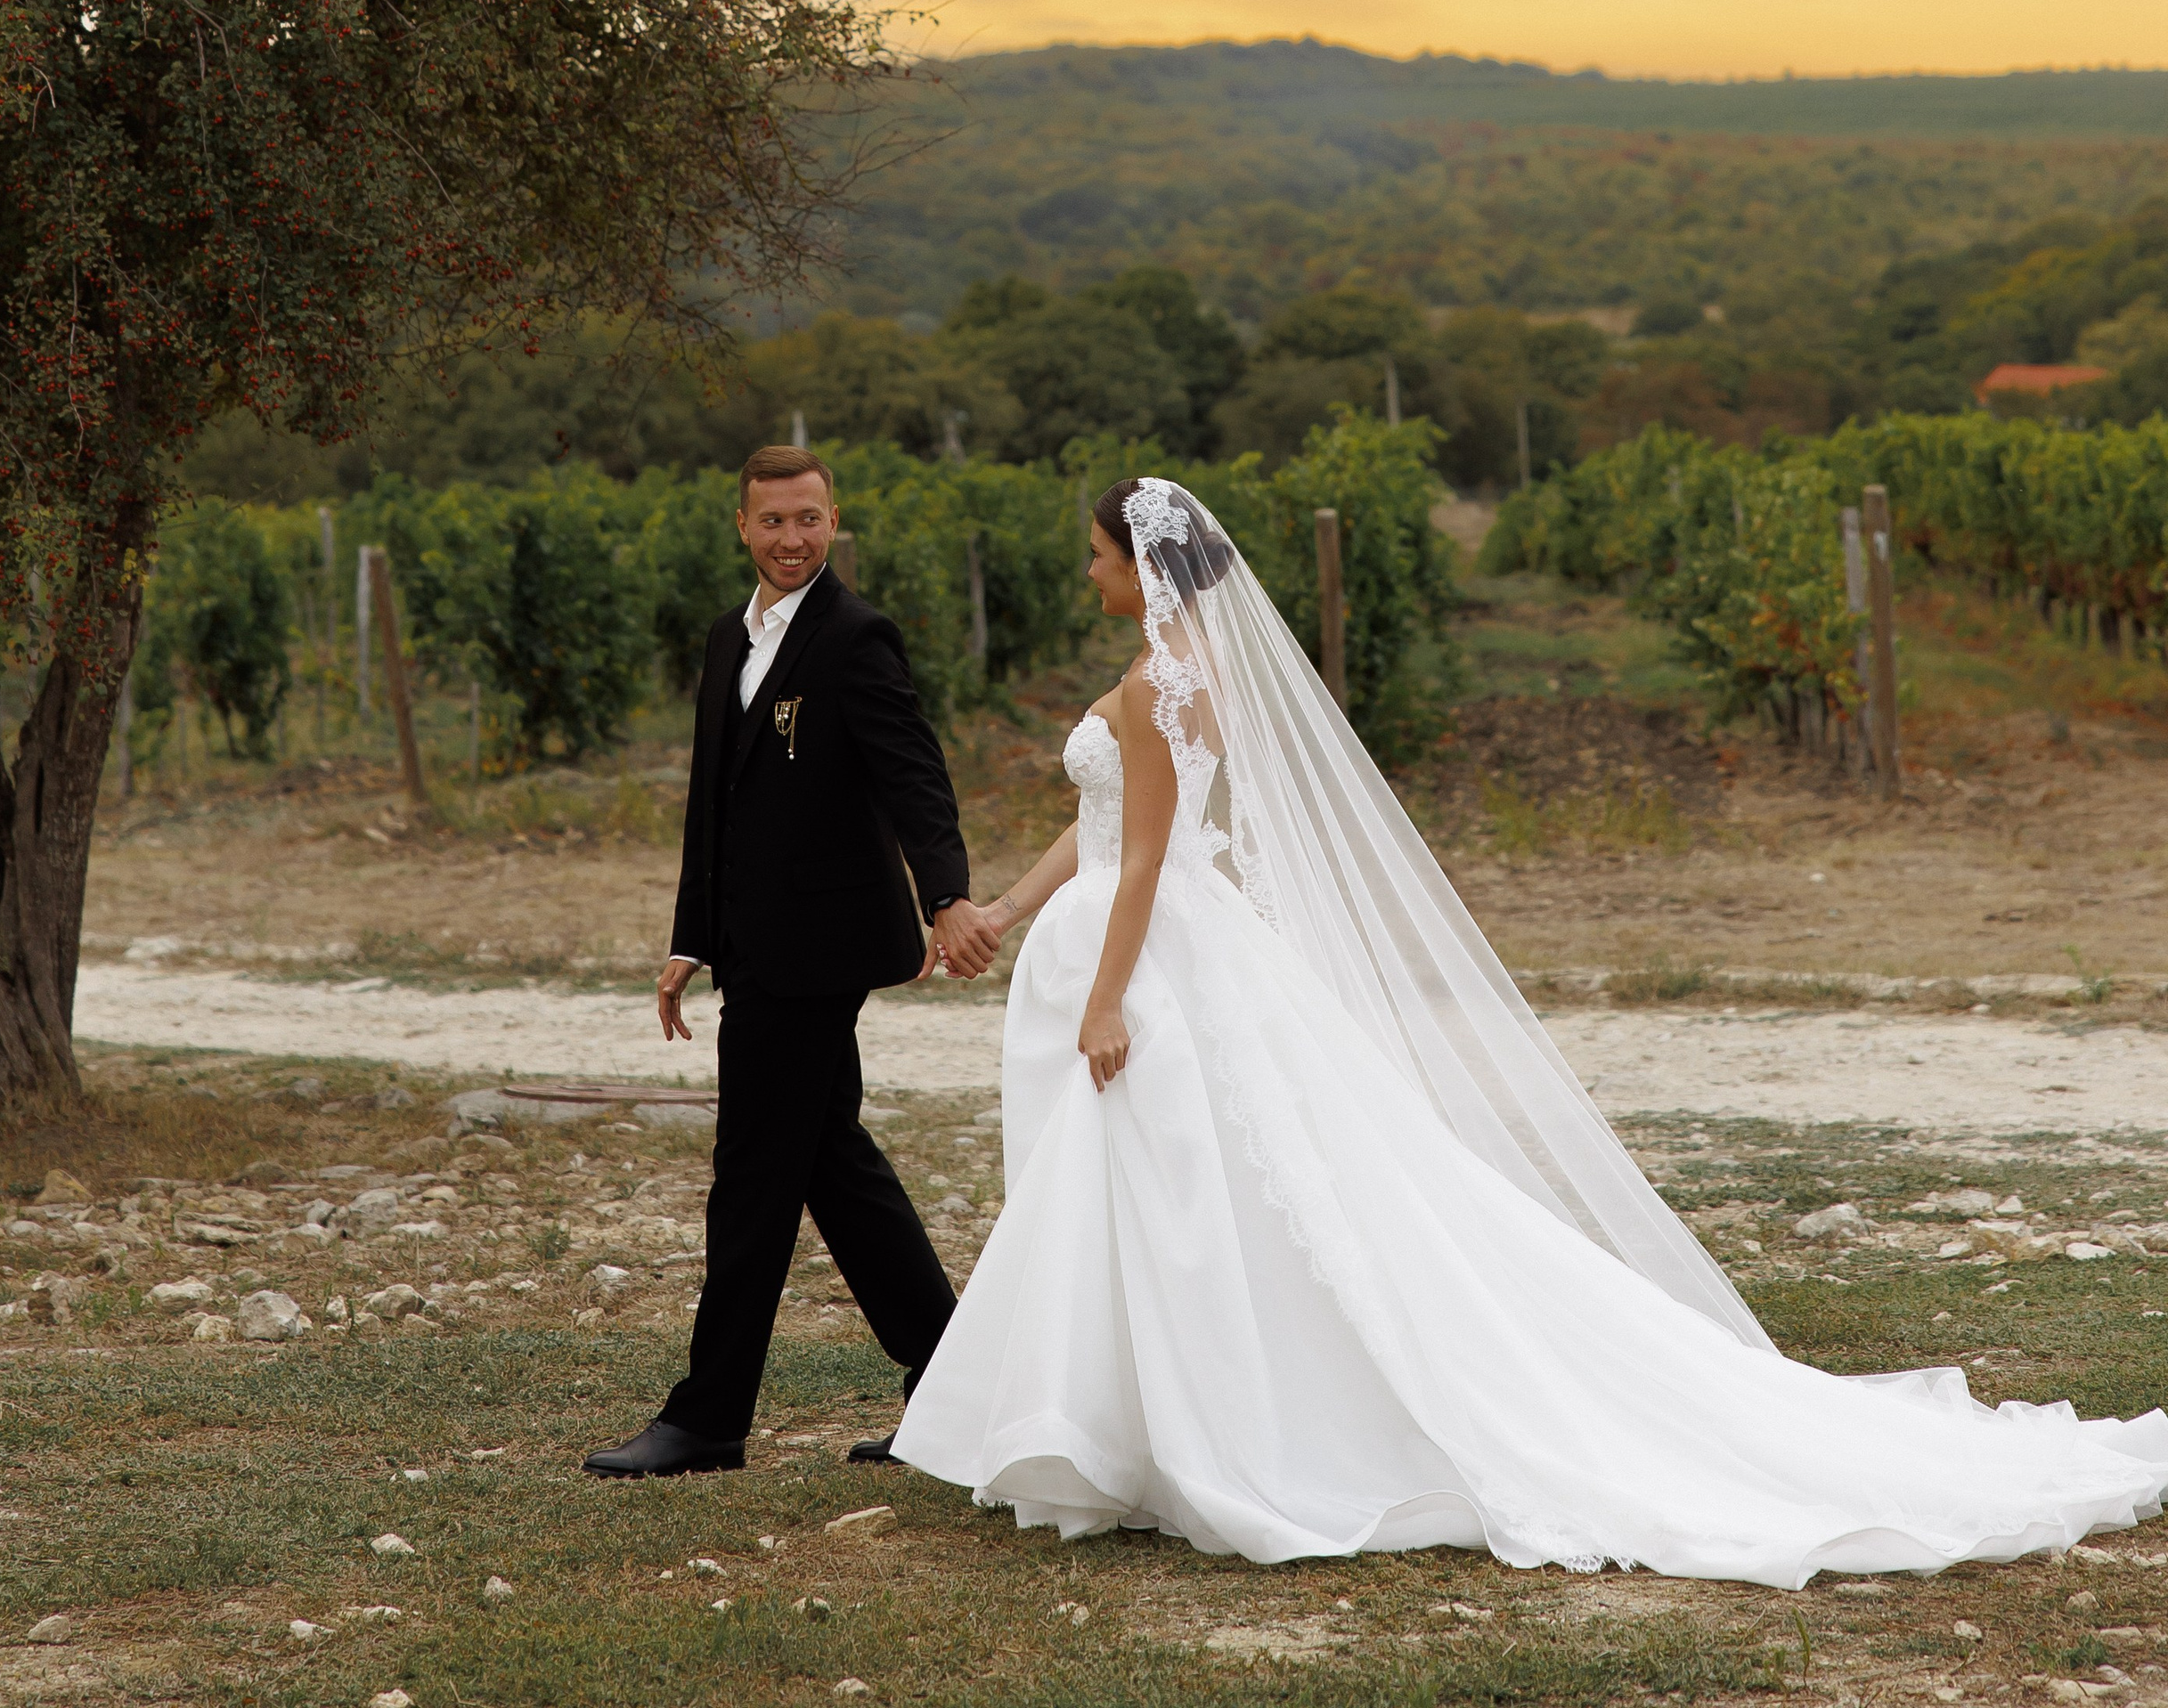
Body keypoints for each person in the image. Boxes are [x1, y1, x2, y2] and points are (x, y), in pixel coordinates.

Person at [895, 473, 2168, 1579]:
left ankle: (1183, 1431)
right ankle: (1127, 1426)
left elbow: (1150, 856)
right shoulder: (1176, 679)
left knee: (1179, 1190)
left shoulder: (1158, 681)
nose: (1088, 570)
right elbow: (1114, 819)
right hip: (1173, 940)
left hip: (1159, 956)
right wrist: (1007, 906)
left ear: (1143, 566)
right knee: (1173, 1190)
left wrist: (1109, 995)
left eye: (1100, 554)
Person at [584, 444, 1002, 1479]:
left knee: (753, 1175)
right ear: (742, 524)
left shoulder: (858, 637)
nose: (791, 538)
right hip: (752, 945)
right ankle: (957, 1381)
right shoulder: (731, 634)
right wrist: (693, 936)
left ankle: (710, 1415)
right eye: (772, 520)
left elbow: (915, 775)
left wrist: (945, 895)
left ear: (832, 520)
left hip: (821, 948)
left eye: (808, 519)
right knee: (830, 1161)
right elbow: (712, 803)